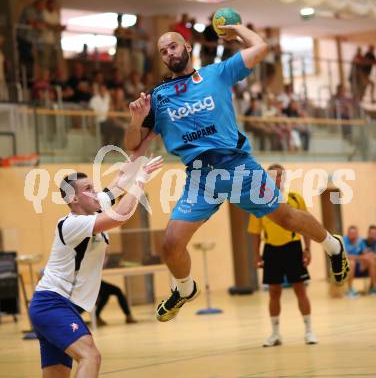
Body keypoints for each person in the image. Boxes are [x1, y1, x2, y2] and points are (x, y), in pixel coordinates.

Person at [125, 24, 349, 323]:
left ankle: (333, 246)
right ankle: (185, 288)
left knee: (286, 217)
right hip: (201, 177)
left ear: (188, 48)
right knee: (170, 244)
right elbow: (133, 146)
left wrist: (237, 30)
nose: (169, 53)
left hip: (238, 166)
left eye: (174, 46)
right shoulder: (159, 97)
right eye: (164, 51)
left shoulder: (217, 74)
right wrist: (136, 119)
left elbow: (261, 48)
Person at [29, 154, 163, 378]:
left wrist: (128, 171)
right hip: (52, 304)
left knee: (57, 373)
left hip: (57, 306)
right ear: (73, 199)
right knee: (91, 356)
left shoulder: (92, 210)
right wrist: (140, 180)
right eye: (88, 189)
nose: (96, 192)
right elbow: (120, 216)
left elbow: (114, 190)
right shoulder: (72, 223)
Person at [248, 164, 317, 347]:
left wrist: (308, 249)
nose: (276, 178)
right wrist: (256, 255)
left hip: (293, 248)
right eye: (272, 175)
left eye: (279, 175)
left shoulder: (295, 198)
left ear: (284, 178)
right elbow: (255, 232)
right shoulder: (258, 200)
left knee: (300, 290)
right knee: (274, 292)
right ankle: (275, 333)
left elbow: (306, 225)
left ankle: (309, 331)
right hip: (271, 250)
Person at [343, 226, 376, 297]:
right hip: (346, 267)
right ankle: (350, 289)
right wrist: (361, 257)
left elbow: (365, 253)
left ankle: (373, 288)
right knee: (351, 262)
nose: (353, 235)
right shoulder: (344, 240)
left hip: (359, 266)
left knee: (372, 261)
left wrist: (369, 255)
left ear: (357, 234)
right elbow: (346, 256)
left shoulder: (360, 241)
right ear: (348, 234)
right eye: (351, 233)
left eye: (354, 233)